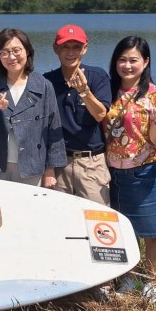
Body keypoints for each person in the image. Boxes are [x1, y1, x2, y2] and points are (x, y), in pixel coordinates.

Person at [104, 36, 156, 303]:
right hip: (112, 172)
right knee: (123, 230)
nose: (127, 65)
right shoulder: (107, 91)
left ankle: (153, 283)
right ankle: (129, 277)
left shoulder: (155, 96)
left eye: (134, 60)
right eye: (122, 59)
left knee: (153, 231)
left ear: (145, 62)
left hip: (145, 172)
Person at [0, 28, 67, 186]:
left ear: (28, 51)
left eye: (16, 50)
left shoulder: (44, 86)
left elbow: (54, 129)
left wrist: (50, 169)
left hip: (31, 164)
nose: (11, 57)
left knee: (28, 209)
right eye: (4, 52)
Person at [44, 24, 112, 204]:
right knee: (59, 220)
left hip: (92, 163)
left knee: (97, 221)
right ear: (55, 48)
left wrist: (84, 91)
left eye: (76, 47)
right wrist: (48, 168)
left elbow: (100, 114)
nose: (70, 52)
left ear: (85, 48)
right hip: (59, 163)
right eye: (65, 47)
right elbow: (43, 128)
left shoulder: (97, 76)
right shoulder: (47, 81)